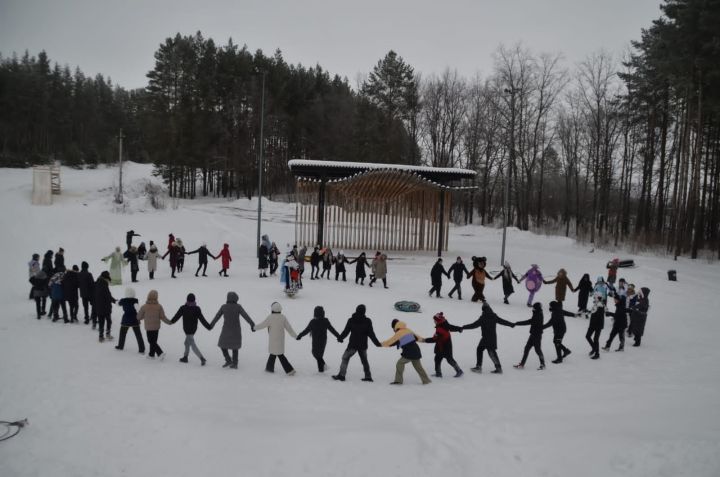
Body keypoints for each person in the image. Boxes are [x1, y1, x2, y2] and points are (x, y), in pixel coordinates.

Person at [332, 304, 381, 382]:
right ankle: (368, 377)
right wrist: (377, 343)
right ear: (364, 311)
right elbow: (371, 334)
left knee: (345, 358)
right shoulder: (367, 321)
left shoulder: (351, 320)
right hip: (363, 345)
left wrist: (340, 338)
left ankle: (341, 375)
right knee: (364, 361)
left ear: (356, 310)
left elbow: (346, 331)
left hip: (353, 345)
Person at [462, 303, 515, 373]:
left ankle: (482, 367)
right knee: (483, 350)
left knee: (490, 352)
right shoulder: (493, 316)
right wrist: (511, 324)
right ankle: (484, 366)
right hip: (491, 337)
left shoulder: (483, 317)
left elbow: (474, 325)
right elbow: (502, 321)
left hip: (486, 338)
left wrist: (464, 327)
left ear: (483, 310)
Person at [210, 292, 255, 369]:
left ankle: (229, 360)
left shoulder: (224, 307)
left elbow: (216, 317)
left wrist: (211, 325)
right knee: (235, 347)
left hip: (226, 330)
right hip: (236, 330)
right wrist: (252, 324)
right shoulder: (238, 307)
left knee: (222, 345)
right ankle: (234, 363)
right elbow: (246, 316)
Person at [254, 302, 298, 375]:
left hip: (272, 341)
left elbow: (262, 325)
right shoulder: (283, 317)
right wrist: (295, 336)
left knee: (276, 354)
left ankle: (289, 370)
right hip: (280, 341)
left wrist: (254, 328)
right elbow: (289, 329)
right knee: (276, 354)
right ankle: (269, 369)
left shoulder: (270, 317)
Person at [382, 319, 431, 385]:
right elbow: (418, 338)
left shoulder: (398, 333)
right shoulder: (408, 330)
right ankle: (426, 381)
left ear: (395, 327)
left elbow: (390, 342)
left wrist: (380, 344)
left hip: (409, 353)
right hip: (416, 351)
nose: (393, 330)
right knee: (418, 367)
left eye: (393, 328)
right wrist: (425, 340)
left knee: (399, 363)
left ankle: (398, 381)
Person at [170, 293, 211, 365]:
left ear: (187, 299)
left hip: (187, 329)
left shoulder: (183, 308)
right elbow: (202, 319)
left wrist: (171, 322)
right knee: (186, 343)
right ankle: (185, 357)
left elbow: (177, 316)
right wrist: (208, 326)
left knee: (192, 344)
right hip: (193, 329)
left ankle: (201, 358)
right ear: (194, 300)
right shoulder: (197, 309)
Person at [297, 306, 341, 372]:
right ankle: (322, 368)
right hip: (322, 340)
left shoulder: (313, 321)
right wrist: (338, 337)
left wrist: (300, 336)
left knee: (316, 354)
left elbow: (306, 330)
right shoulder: (324, 321)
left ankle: (322, 369)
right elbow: (332, 330)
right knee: (318, 354)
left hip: (317, 340)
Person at [423, 312, 464, 378]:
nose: (434, 321)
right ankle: (438, 373)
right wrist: (459, 328)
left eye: (434, 320)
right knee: (437, 359)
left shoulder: (440, 329)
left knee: (449, 359)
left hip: (445, 347)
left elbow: (434, 339)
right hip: (441, 345)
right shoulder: (444, 323)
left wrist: (425, 340)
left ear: (437, 321)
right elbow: (451, 327)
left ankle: (459, 371)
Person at [137, 289, 172, 359]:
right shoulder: (159, 306)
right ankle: (151, 354)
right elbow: (163, 317)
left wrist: (144, 315)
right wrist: (169, 322)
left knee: (151, 341)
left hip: (149, 327)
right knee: (153, 341)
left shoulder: (144, 307)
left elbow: (138, 317)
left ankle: (160, 353)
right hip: (156, 327)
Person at [513, 303, 547, 370]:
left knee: (538, 350)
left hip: (537, 335)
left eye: (534, 308)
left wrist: (518, 323)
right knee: (527, 348)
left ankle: (543, 364)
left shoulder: (538, 315)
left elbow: (529, 322)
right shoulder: (537, 312)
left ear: (536, 308)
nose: (532, 309)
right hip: (533, 334)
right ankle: (522, 364)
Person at [115, 287, 145, 353]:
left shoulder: (123, 300)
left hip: (125, 320)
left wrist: (116, 301)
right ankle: (141, 349)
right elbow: (138, 309)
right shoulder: (135, 301)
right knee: (138, 335)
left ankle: (120, 346)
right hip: (135, 320)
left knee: (122, 333)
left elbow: (117, 304)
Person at [94, 271, 117, 342]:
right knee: (108, 321)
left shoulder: (97, 282)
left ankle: (101, 336)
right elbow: (108, 296)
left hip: (98, 306)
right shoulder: (104, 284)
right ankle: (108, 334)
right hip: (105, 306)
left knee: (101, 321)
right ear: (105, 278)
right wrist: (115, 301)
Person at [586, 293, 606, 359]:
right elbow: (593, 311)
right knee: (588, 336)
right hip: (592, 324)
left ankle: (597, 354)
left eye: (595, 297)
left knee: (595, 339)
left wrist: (592, 312)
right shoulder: (596, 304)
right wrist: (589, 312)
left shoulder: (600, 305)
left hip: (598, 325)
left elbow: (598, 316)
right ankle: (594, 348)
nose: (594, 298)